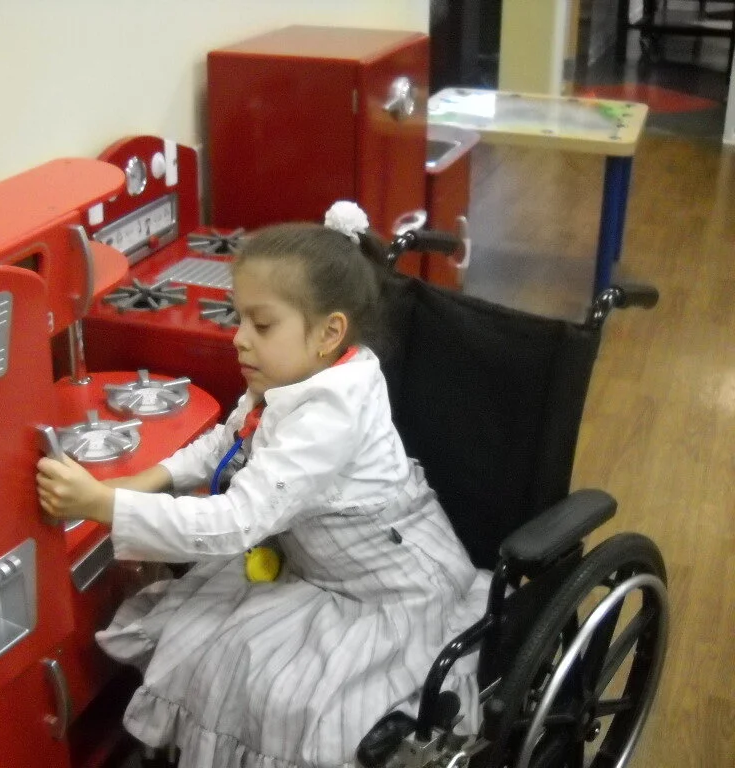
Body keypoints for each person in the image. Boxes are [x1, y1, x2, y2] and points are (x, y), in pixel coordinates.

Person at [36, 201, 492, 768]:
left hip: (386, 588)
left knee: (288, 702)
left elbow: (235, 523)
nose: (238, 339)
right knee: (205, 644)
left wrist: (106, 504)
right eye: (238, 319)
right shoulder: (293, 375)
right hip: (316, 564)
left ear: (329, 332)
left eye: (261, 324)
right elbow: (228, 442)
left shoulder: (331, 413)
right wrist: (148, 479)